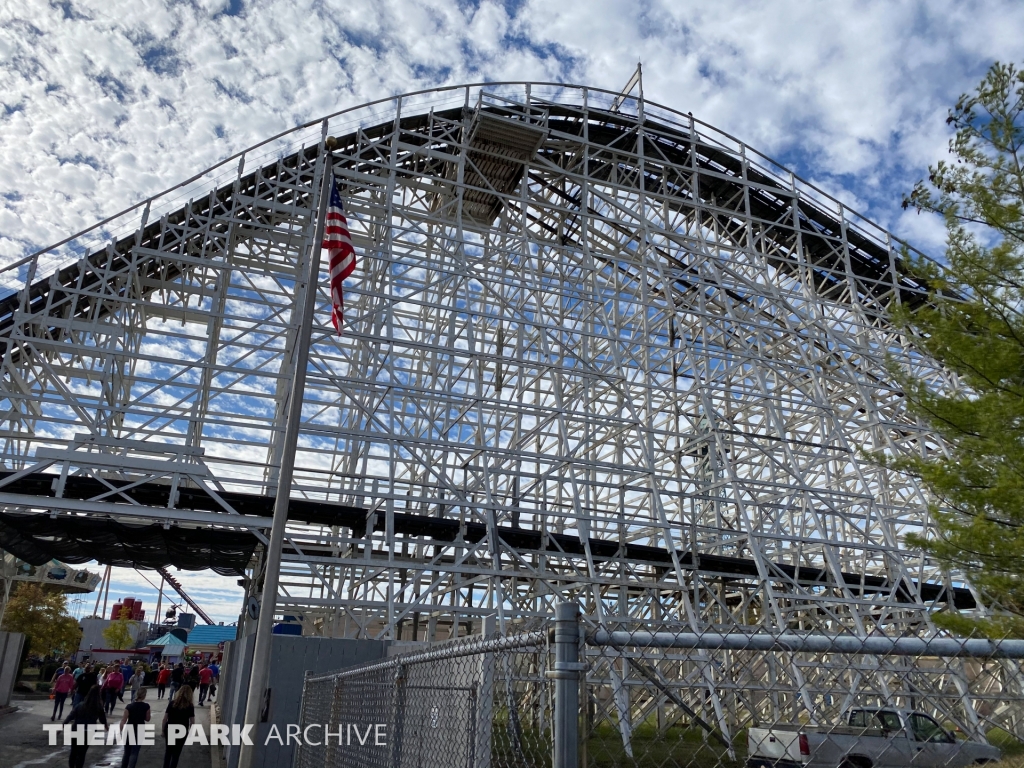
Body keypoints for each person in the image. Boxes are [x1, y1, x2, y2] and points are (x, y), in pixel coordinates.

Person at [63, 686, 106, 768]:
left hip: (76, 729)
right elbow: (102, 719)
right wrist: (106, 726)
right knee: (82, 753)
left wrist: (63, 724)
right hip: (89, 731)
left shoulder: (80, 705)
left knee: (74, 751)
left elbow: (71, 716)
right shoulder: (98, 707)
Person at [161, 685, 195, 768]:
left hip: (170, 729)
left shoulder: (172, 703)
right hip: (182, 730)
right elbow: (192, 721)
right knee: (176, 754)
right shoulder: (190, 705)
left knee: (168, 752)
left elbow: (165, 718)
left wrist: (162, 730)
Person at [119, 687, 151, 768]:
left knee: (127, 752)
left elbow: (123, 720)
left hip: (129, 728)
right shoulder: (146, 706)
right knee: (135, 752)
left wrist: (120, 730)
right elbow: (147, 719)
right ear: (144, 696)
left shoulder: (129, 706)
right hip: (140, 729)